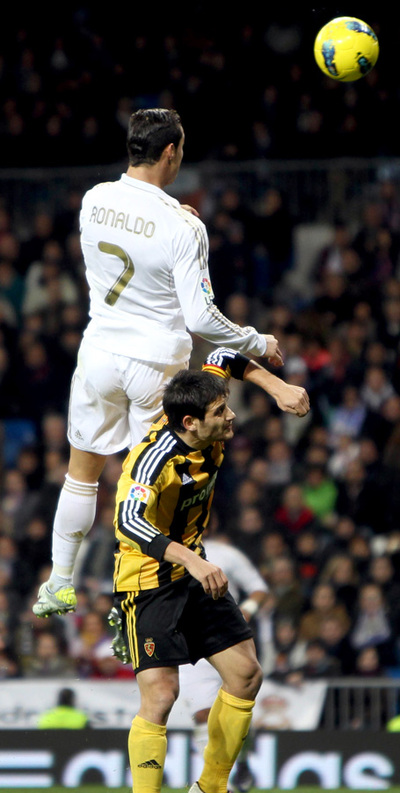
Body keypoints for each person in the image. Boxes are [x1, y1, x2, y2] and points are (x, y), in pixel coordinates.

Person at [32, 107, 307, 620]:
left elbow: (137, 233)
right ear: (170, 152)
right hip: (154, 362)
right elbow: (202, 317)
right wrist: (256, 339)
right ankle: (132, 600)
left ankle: (60, 584)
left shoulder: (94, 200)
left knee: (80, 476)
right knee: (151, 483)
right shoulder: (184, 227)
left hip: (97, 353)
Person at [107, 346, 309, 793]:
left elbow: (223, 353)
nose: (231, 415)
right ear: (191, 423)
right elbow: (127, 523)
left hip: (196, 570)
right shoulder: (153, 461)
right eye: (222, 413)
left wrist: (278, 387)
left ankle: (212, 788)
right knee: (162, 695)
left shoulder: (200, 409)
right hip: (148, 582)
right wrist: (194, 561)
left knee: (246, 675)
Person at [179, 533, 269, 793]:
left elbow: (258, 587)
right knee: (202, 715)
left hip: (228, 639)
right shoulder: (163, 550)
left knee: (236, 709)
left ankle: (241, 762)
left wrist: (248, 610)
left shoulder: (226, 553)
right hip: (188, 644)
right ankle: (220, 789)